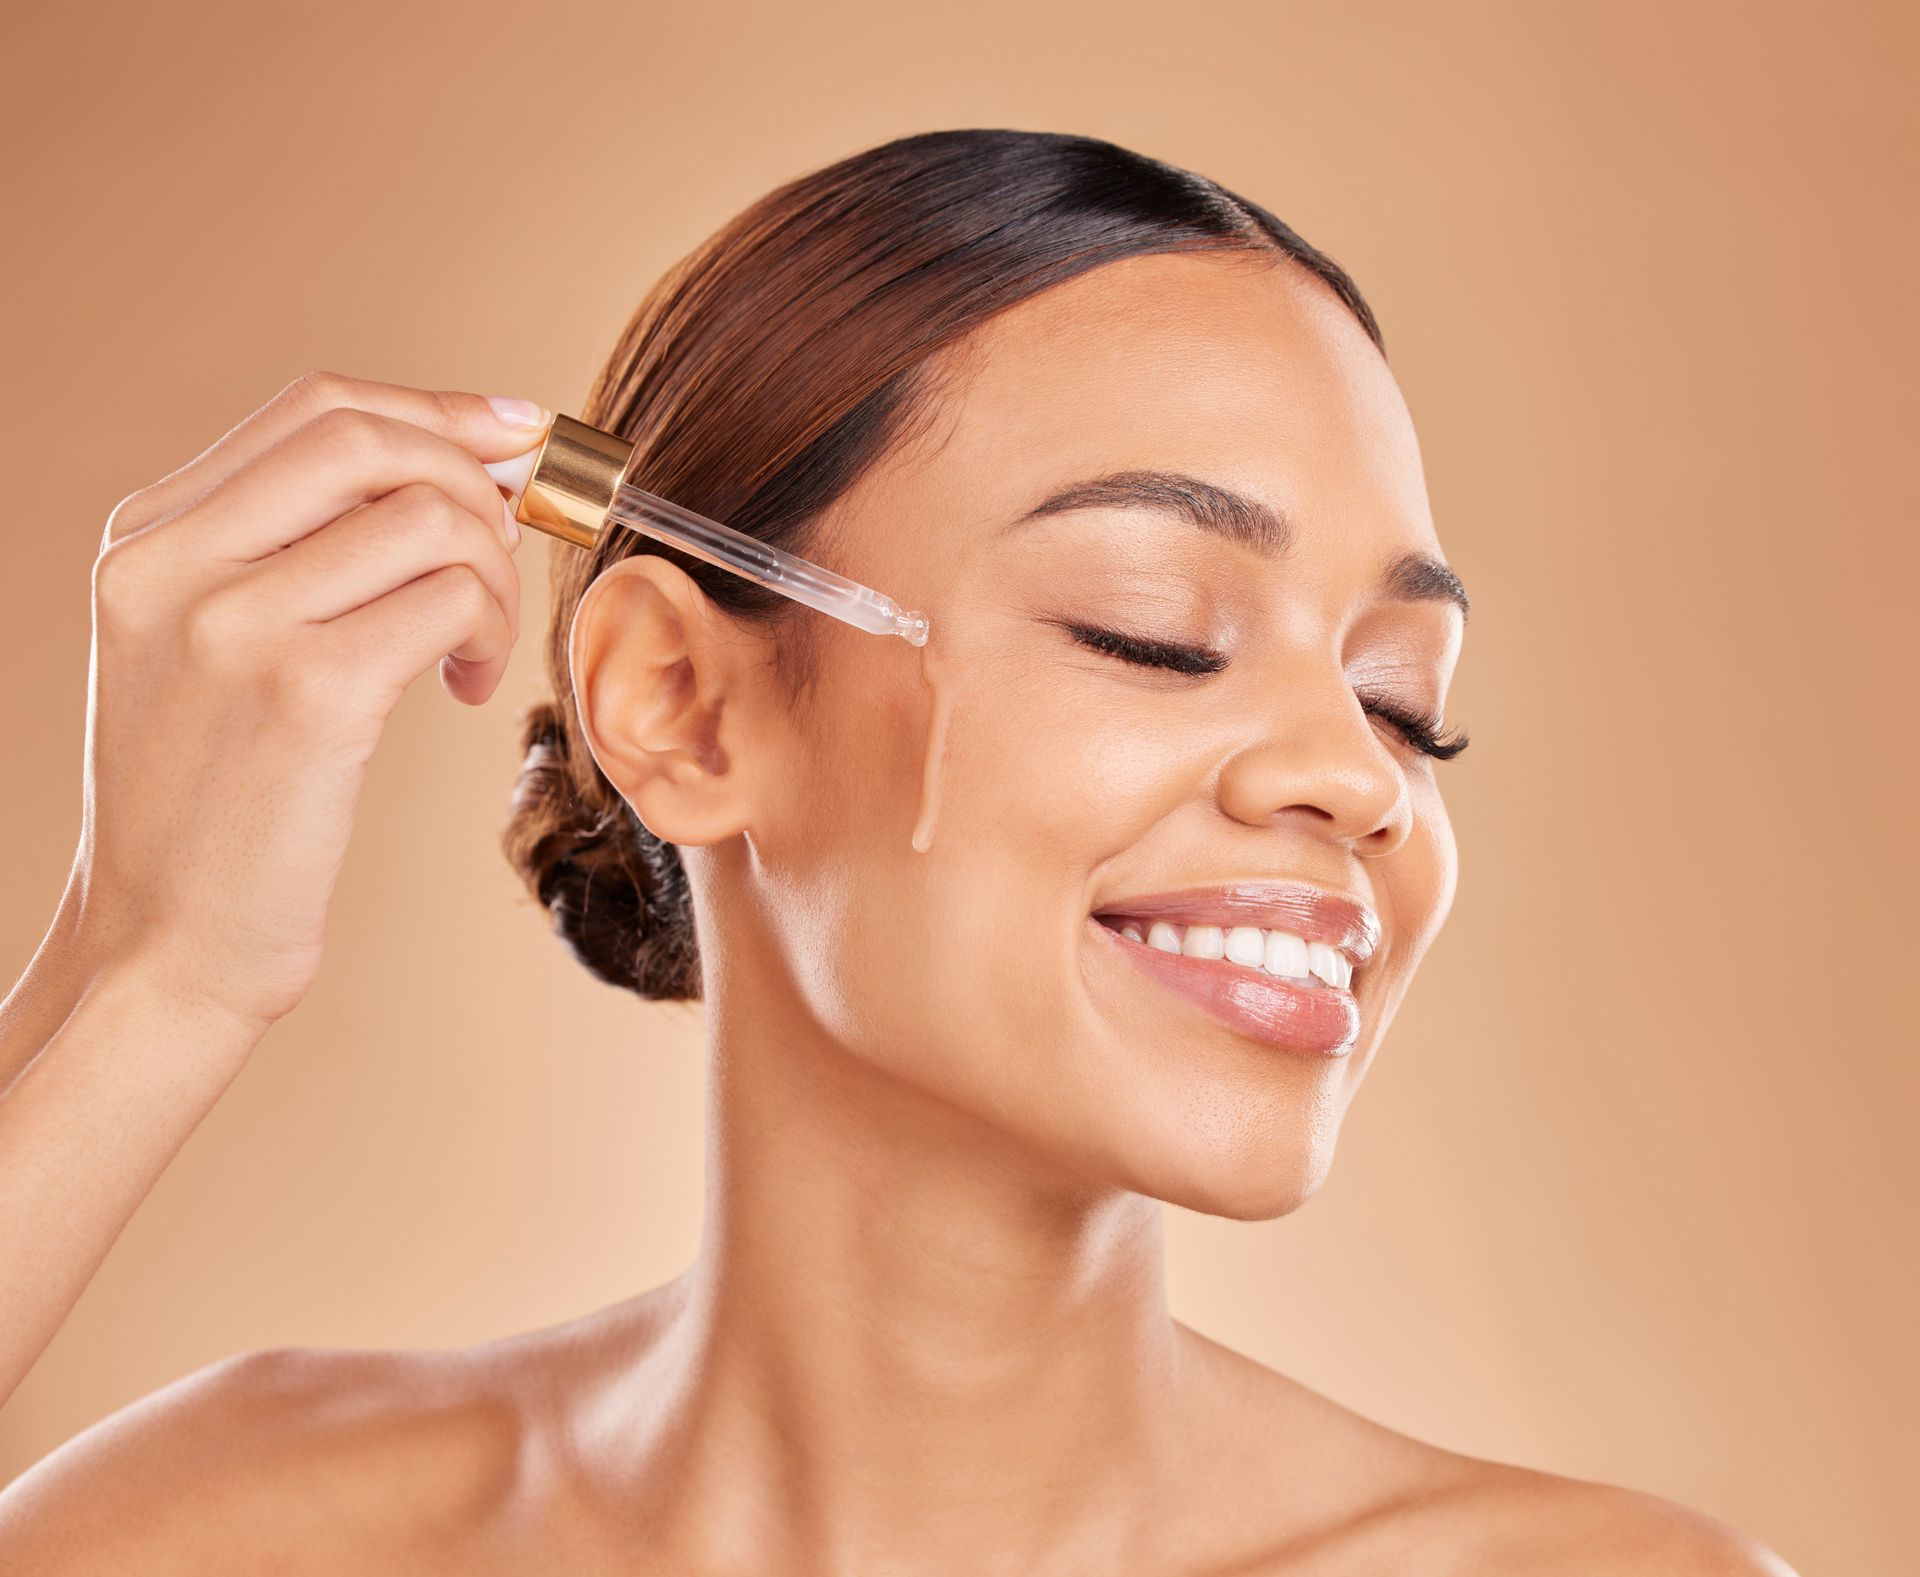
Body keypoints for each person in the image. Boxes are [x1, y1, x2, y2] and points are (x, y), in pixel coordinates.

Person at [0, 130, 1794, 1573]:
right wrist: (154, 971)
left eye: (1406, 701)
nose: (1358, 778)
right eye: (1155, 628)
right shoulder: (227, 1533)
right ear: (686, 707)